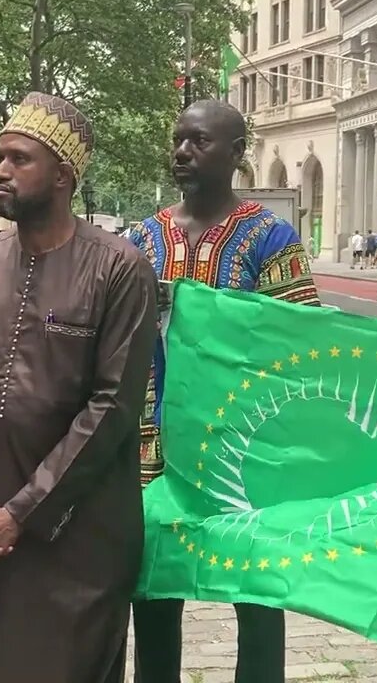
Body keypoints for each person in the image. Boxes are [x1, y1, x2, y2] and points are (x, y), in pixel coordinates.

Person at [0, 92, 157, 683]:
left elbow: (113, 407)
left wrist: (23, 514)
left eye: (19, 159)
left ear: (63, 176)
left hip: (80, 536)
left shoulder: (119, 268)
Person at [125, 99, 320, 683]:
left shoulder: (271, 237)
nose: (182, 151)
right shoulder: (143, 237)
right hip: (152, 448)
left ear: (237, 154)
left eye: (199, 141)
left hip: (244, 448)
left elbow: (299, 343)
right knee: (154, 587)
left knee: (256, 591)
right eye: (178, 139)